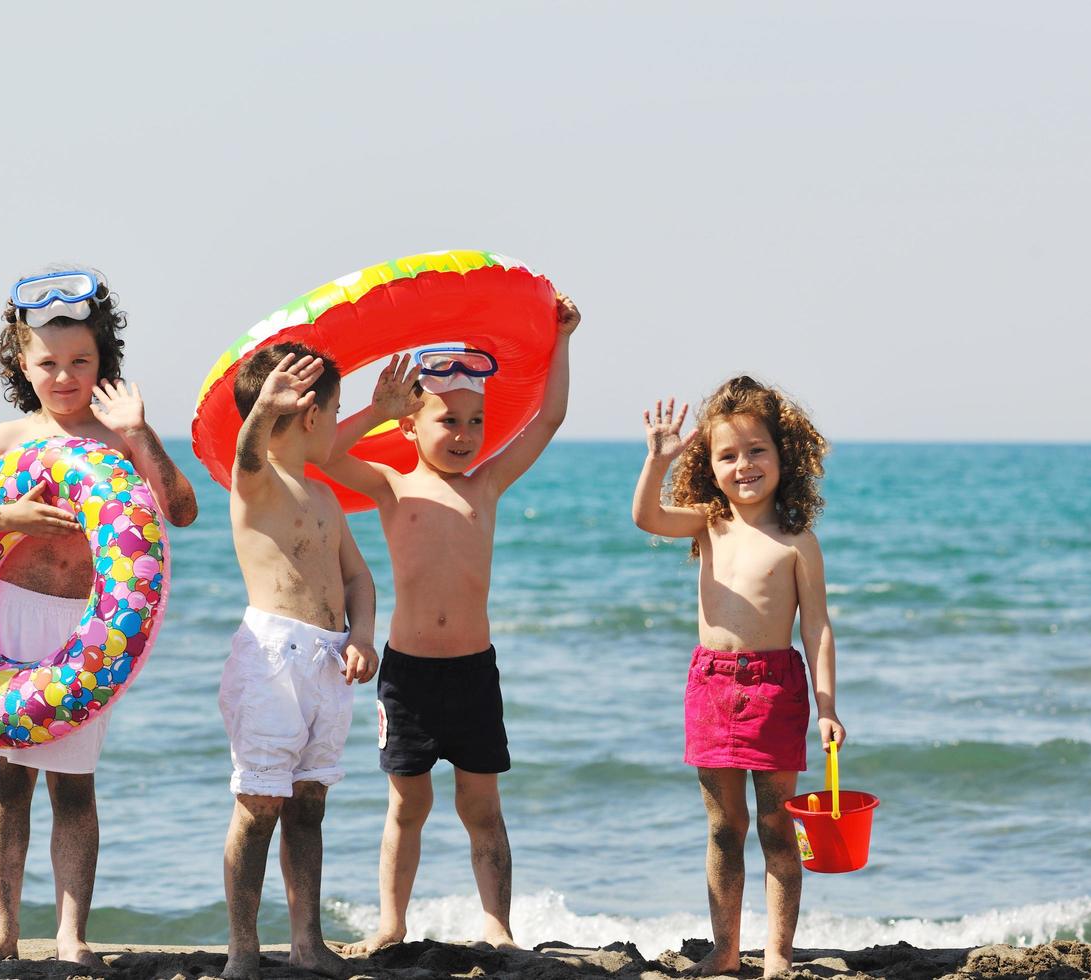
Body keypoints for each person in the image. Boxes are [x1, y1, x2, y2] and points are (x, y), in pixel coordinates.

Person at [0, 267, 198, 969]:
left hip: (88, 626)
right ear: (22, 363)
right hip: (4, 612)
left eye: (81, 361)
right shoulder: (8, 437)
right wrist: (0, 512)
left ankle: (73, 933)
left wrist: (143, 438)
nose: (66, 376)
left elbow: (183, 511)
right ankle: (3, 930)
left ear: (103, 360)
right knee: (8, 780)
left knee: (74, 785)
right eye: (49, 363)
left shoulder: (119, 436)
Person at [321, 293, 581, 954]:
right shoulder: (391, 485)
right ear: (412, 425)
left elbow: (548, 420)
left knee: (482, 808)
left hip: (472, 672)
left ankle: (497, 924)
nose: (465, 435)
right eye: (448, 421)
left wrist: (562, 340)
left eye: (475, 421)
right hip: (407, 677)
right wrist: (377, 410)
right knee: (407, 807)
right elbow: (322, 453)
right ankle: (391, 924)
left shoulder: (487, 485)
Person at [631, 376, 846, 977]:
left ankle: (778, 954)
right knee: (725, 827)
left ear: (783, 455)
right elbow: (647, 516)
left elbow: (818, 629)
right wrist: (657, 459)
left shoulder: (798, 540)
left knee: (778, 826)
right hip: (711, 686)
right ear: (710, 465)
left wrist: (827, 707)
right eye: (728, 455)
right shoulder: (708, 522)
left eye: (757, 451)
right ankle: (724, 952)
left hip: (777, 687)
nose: (744, 466)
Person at [221, 342, 378, 979]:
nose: (338, 423)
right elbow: (244, 451)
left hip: (328, 661)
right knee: (259, 805)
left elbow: (360, 580)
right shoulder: (256, 482)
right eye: (336, 411)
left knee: (309, 802)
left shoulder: (325, 498)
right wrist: (263, 409)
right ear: (309, 415)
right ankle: (241, 949)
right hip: (271, 661)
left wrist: (363, 635)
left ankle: (307, 944)